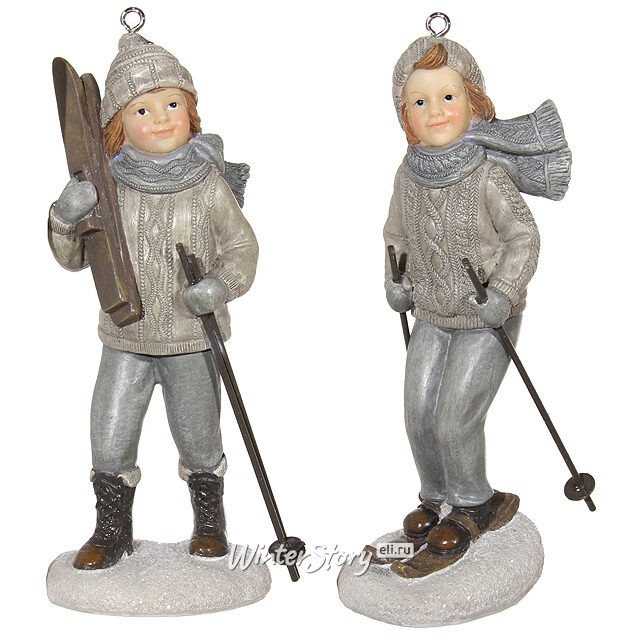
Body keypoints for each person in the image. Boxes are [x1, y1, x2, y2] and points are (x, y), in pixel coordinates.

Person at [48, 23, 258, 570]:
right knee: (110, 433)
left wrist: (219, 286)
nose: (162, 118)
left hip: (191, 338)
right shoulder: (107, 186)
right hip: (127, 336)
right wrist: (66, 217)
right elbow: (74, 259)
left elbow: (241, 248)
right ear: (118, 124)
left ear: (191, 110)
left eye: (172, 104)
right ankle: (111, 528)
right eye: (143, 109)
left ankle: (209, 521)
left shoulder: (206, 182)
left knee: (199, 434)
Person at [382, 34, 570, 576]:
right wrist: (395, 281)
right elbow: (396, 235)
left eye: (449, 96)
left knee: (454, 416)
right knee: (418, 411)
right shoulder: (408, 174)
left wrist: (505, 293)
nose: (435, 110)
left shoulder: (487, 173)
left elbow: (523, 238)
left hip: (487, 318)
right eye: (419, 101)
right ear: (404, 116)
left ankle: (473, 503)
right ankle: (436, 496)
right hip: (431, 314)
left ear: (474, 103)